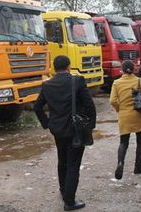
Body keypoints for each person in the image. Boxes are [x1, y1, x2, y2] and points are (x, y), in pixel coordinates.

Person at [34, 55, 96, 211]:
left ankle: (63, 190)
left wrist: (47, 123)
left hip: (57, 130)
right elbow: (90, 105)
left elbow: (37, 107)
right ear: (68, 66)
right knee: (73, 164)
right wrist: (90, 126)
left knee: (62, 160)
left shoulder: (47, 85)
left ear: (55, 69)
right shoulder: (78, 81)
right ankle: (69, 201)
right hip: (75, 129)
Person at [110, 60, 141, 180]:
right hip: (139, 115)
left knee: (123, 142)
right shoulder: (140, 81)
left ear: (122, 70)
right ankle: (137, 166)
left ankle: (120, 163)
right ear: (134, 69)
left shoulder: (116, 83)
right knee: (140, 141)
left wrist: (120, 109)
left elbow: (112, 100)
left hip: (124, 116)